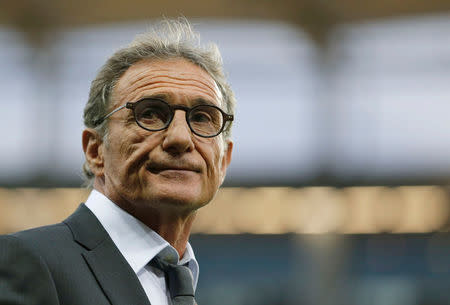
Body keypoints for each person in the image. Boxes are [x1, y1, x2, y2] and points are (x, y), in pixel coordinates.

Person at [0, 18, 234, 305]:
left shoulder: (181, 282)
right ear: (95, 150)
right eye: (150, 113)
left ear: (224, 161)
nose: (180, 138)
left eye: (201, 118)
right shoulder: (26, 262)